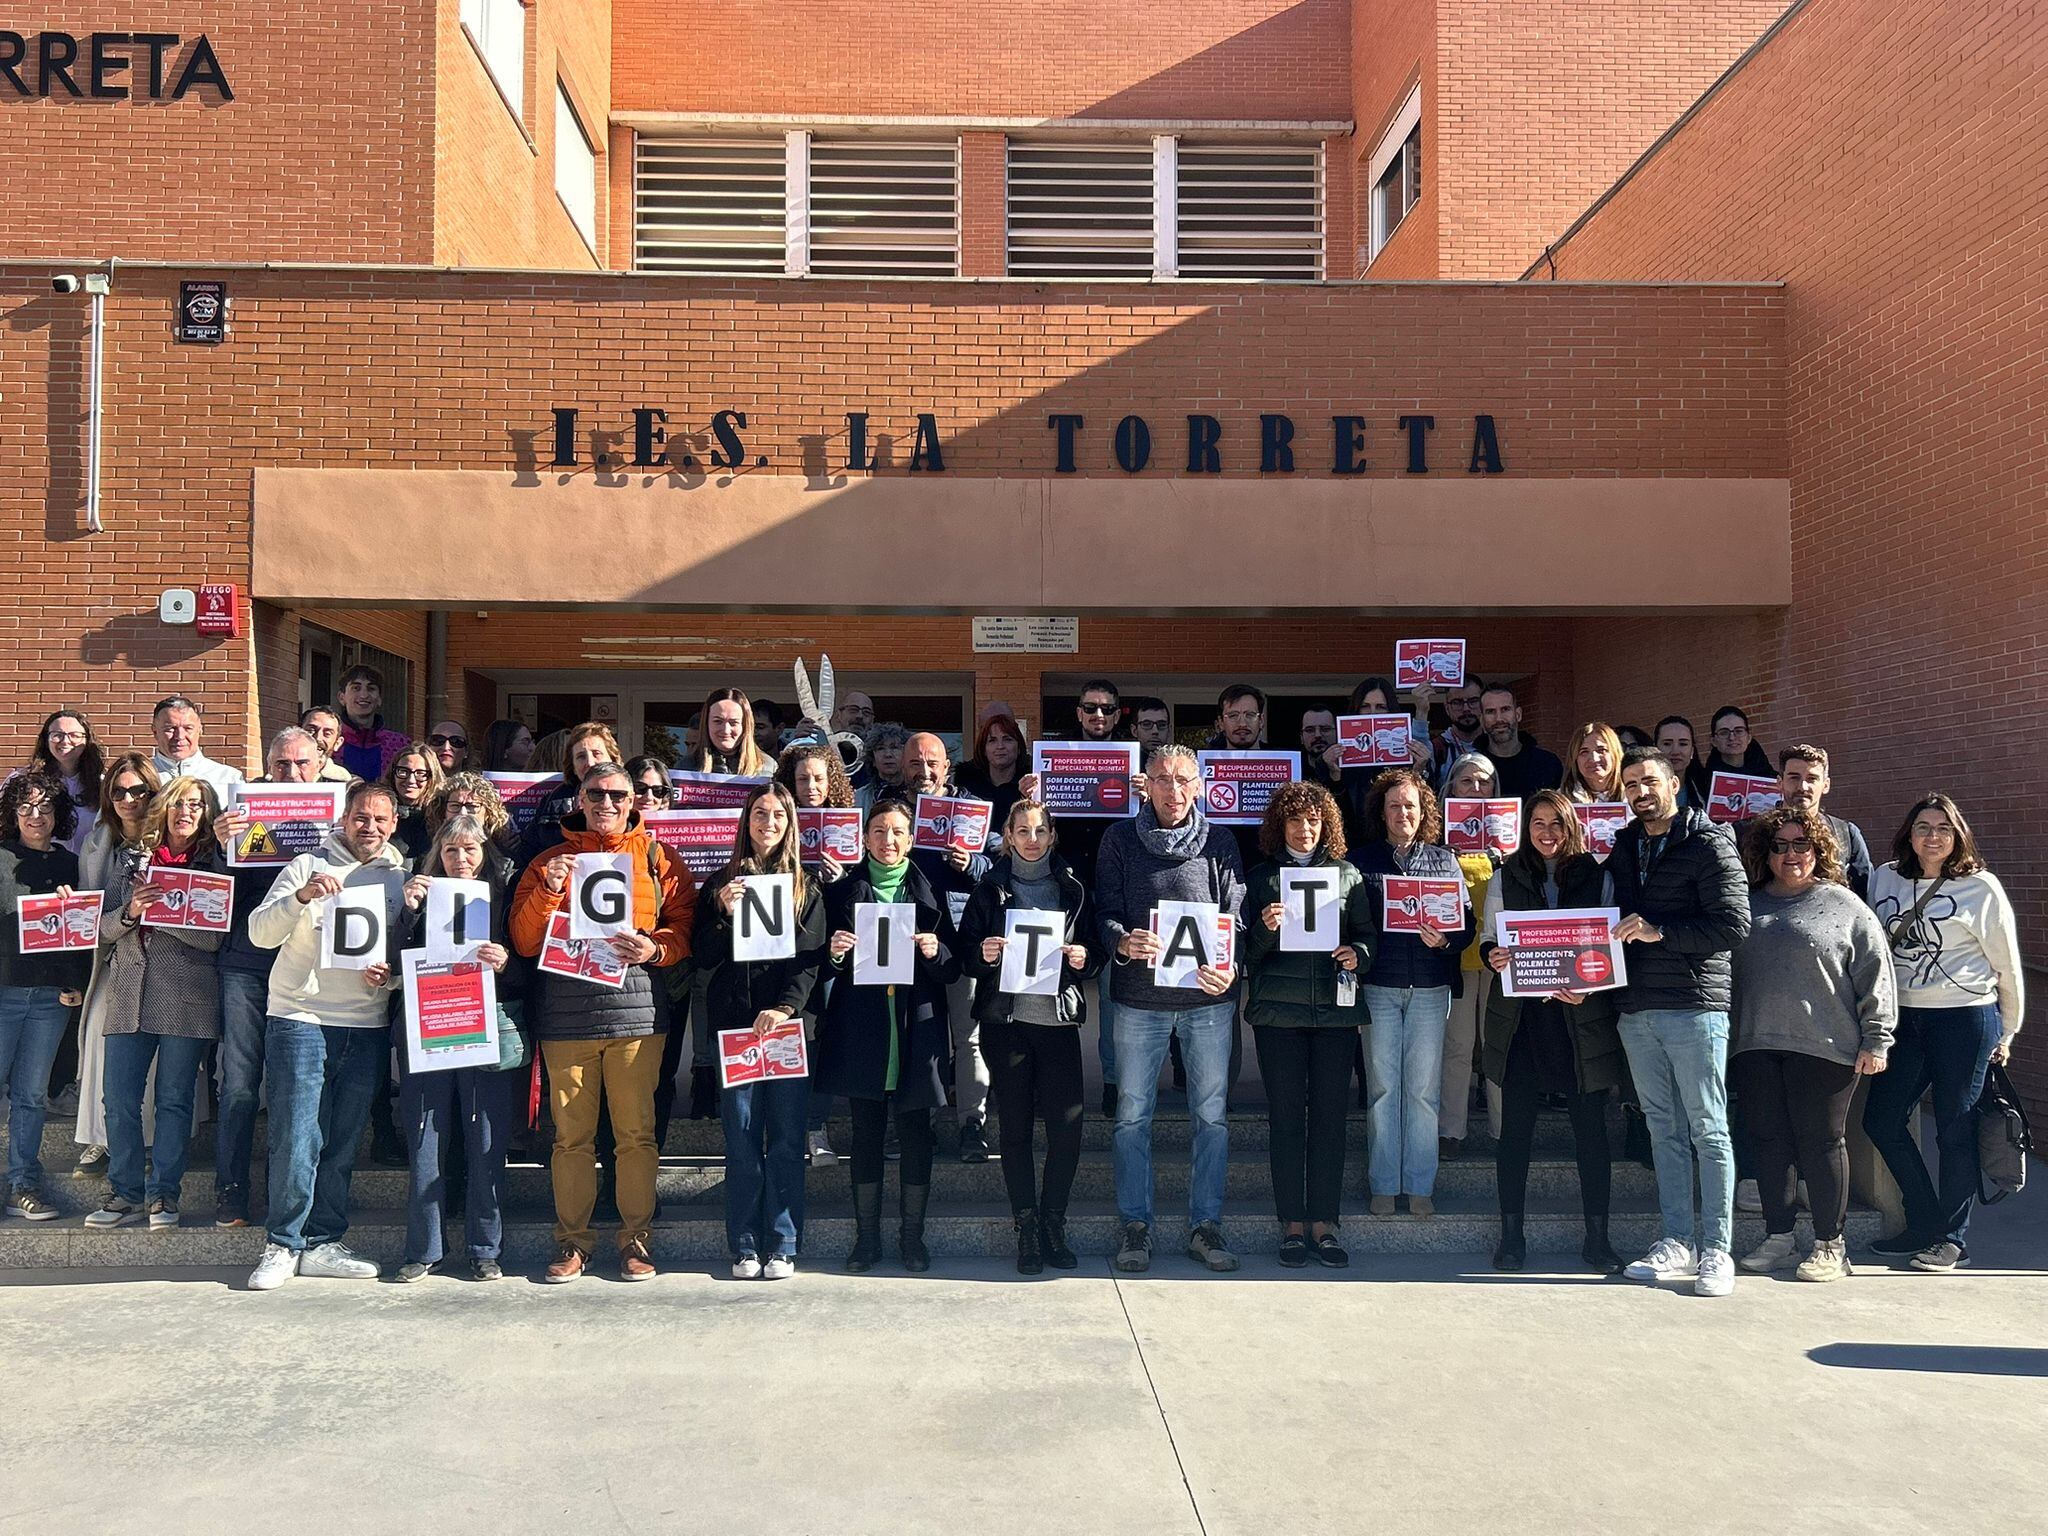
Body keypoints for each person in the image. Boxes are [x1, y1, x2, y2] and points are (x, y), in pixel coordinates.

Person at [510, 762, 695, 1285]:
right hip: (566, 1019)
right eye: (596, 793)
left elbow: (684, 926)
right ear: (581, 797)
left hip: (636, 1017)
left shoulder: (659, 858)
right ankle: (572, 1243)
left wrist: (655, 948)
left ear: (635, 798)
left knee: (635, 1136)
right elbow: (524, 941)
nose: (606, 803)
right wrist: (548, 889)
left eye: (617, 794)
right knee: (570, 1140)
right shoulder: (549, 859)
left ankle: (636, 1240)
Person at [242, 780, 410, 1290]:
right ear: (344, 818)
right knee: (297, 1135)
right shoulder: (305, 865)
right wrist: (301, 896)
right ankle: (282, 1243)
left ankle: (322, 1241)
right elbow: (259, 933)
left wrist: (394, 978)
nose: (371, 828)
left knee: (341, 1140)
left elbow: (405, 954)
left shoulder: (400, 876)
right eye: (362, 817)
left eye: (381, 820)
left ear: (394, 824)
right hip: (301, 1017)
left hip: (366, 1021)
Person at [1606, 746, 1752, 1297]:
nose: (1639, 792)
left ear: (1674, 782)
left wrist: (1661, 931)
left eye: (1648, 781)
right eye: (1630, 785)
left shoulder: (1710, 842)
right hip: (1635, 1007)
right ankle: (1677, 1241)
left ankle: (1717, 1250)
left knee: (1708, 1129)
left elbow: (1735, 926)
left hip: (1694, 1006)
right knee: (1662, 1129)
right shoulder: (1623, 846)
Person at [1095, 744, 1246, 1274]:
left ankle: (1206, 1225)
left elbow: (1236, 915)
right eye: (1162, 779)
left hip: (1207, 1002)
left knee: (1212, 1116)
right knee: (1131, 1117)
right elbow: (1103, 911)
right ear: (1146, 784)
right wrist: (1120, 941)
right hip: (1138, 1002)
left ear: (1199, 786)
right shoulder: (1119, 839)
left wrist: (1230, 966)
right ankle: (1135, 1226)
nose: (1173, 789)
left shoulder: (1221, 841)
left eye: (1184, 780)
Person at [1730, 807, 1895, 1283]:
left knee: (1821, 1142)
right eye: (1778, 846)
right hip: (1755, 1043)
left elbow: (1876, 974)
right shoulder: (1748, 903)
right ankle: (1779, 1236)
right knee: (1767, 1142)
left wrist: (1877, 1038)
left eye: (1801, 845)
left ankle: (1830, 1245)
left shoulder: (1845, 905)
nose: (1790, 855)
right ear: (1765, 854)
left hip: (1827, 1045)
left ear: (1819, 850)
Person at [1862, 793, 2024, 1272]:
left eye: (1943, 828)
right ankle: (1924, 1221)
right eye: (1923, 827)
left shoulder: (1981, 887)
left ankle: (1952, 1238)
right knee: (1882, 1120)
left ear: (1958, 836)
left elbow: (2008, 966)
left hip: (1965, 1019)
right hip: (1904, 1020)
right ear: (1908, 835)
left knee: (1955, 1128)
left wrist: (2008, 1032)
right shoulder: (1885, 876)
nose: (1933, 837)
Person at [1480, 790, 1625, 1273]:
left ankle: (1598, 1239)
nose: (1546, 833)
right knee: (1515, 1135)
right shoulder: (1505, 874)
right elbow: (1488, 939)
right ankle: (1511, 1237)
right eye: (1537, 823)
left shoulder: (1598, 876)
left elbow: (1607, 946)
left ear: (1571, 827)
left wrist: (1593, 984)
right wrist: (1492, 957)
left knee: (1592, 1134)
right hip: (1522, 1023)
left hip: (1580, 1023)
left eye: (1556, 824)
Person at [813, 798, 960, 1272]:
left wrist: (937, 950)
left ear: (911, 840)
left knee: (917, 1132)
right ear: (864, 837)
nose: (888, 840)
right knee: (866, 1132)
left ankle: (911, 1238)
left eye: (898, 832)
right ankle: (867, 1238)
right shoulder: (841, 893)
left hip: (916, 1026)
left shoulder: (931, 890)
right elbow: (817, 962)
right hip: (863, 1026)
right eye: (879, 831)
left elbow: (955, 966)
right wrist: (834, 953)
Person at [959, 798, 1103, 1273]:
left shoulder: (1073, 885)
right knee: (1016, 1131)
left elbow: (1097, 948)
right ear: (1008, 836)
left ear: (1052, 835)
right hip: (1008, 1023)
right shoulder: (990, 887)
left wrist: (1085, 957)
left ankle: (1053, 1221)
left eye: (1040, 831)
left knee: (1067, 1130)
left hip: (1058, 1021)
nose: (1032, 839)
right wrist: (984, 953)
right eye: (1022, 831)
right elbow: (966, 954)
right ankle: (1026, 1225)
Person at [693, 782, 826, 1280]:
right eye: (759, 814)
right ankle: (745, 1244)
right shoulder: (718, 883)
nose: (768, 823)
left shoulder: (806, 886)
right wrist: (724, 914)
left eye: (777, 815)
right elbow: (702, 956)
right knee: (743, 1139)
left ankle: (784, 1241)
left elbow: (811, 961)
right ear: (745, 821)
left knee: (788, 1139)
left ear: (790, 824)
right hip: (736, 1030)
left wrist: (787, 1008)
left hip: (787, 1030)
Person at [84, 776, 227, 1231]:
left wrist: (164, 915)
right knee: (119, 1100)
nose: (186, 812)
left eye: (196, 805)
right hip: (129, 991)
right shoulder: (131, 858)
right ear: (163, 807)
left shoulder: (214, 863)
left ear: (206, 814)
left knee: (173, 1101)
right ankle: (124, 1192)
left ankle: (164, 1195)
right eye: (178, 803)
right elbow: (100, 928)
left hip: (187, 995)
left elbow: (214, 938)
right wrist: (131, 913)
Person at [1239, 781, 1371, 1268]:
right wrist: (1263, 930)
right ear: (1281, 826)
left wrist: (1357, 954)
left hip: (1336, 1016)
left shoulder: (1348, 875)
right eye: (1295, 820)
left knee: (1331, 1120)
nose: (1305, 828)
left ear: (1327, 825)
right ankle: (1292, 1223)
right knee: (1288, 1118)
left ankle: (1325, 1223)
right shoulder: (1259, 879)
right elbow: (1241, 954)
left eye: (1314, 820)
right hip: (1278, 1014)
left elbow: (1367, 936)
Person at [389, 813, 526, 1282]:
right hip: (428, 1029)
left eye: (470, 849)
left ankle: (485, 1248)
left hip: (484, 1026)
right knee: (426, 1137)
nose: (461, 858)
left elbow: (530, 968)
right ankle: (423, 1250)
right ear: (437, 856)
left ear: (484, 853)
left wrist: (506, 961)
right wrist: (406, 912)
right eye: (451, 850)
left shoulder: (503, 898)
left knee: (485, 1141)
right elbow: (388, 961)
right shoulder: (420, 896)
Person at [207, 728, 334, 1226]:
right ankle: (232, 1193)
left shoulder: (336, 815)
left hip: (307, 972)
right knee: (239, 1083)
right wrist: (221, 848)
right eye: (281, 764)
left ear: (320, 765)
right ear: (267, 765)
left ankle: (294, 1200)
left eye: (302, 764)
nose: (292, 773)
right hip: (247, 965)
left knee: (296, 1088)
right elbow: (216, 889)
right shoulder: (243, 812)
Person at [1352, 768, 1474, 1217]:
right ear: (1380, 812)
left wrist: (1443, 940)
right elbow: (1352, 923)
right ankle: (1384, 1182)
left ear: (1424, 811)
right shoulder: (1361, 861)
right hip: (1380, 986)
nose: (1402, 812)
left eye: (1410, 805)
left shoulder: (1444, 861)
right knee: (1383, 1088)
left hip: (1429, 987)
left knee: (1423, 1090)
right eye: (1393, 805)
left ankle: (1420, 1183)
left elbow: (1466, 928)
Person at [893, 731, 996, 1161]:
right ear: (903, 767)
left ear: (946, 766)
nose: (924, 770)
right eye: (916, 763)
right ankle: (920, 1126)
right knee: (914, 1037)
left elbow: (998, 864)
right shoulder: (890, 808)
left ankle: (973, 1124)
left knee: (968, 1039)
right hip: (904, 940)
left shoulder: (969, 810)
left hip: (959, 939)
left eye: (932, 762)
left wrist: (970, 863)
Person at [0, 772, 89, 1222]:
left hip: (50, 999)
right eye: (26, 807)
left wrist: (74, 982)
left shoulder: (69, 864)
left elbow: (79, 934)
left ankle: (23, 1185)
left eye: (46, 807)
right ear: (13, 813)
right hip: (4, 994)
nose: (36, 816)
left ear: (60, 814)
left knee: (32, 1096)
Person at [71, 752, 161, 1177]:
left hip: (161, 960)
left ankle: (144, 1139)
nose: (128, 799)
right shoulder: (98, 839)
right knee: (98, 1044)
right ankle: (100, 1137)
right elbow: (87, 907)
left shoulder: (167, 836)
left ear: (152, 791)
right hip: (110, 957)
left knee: (153, 1060)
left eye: (138, 790)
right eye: (119, 791)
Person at [775, 741, 856, 1166]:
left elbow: (859, 898)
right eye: (802, 778)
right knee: (792, 1035)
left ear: (833, 783)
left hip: (830, 950)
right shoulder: (776, 822)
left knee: (820, 1037)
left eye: (819, 779)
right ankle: (787, 1127)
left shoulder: (847, 828)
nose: (810, 786)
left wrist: (840, 879)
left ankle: (815, 1127)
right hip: (784, 948)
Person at [1438, 753, 1501, 1157]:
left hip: (1501, 957)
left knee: (1495, 1044)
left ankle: (1503, 1131)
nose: (1476, 789)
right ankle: (1451, 1132)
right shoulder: (1438, 837)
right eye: (1467, 782)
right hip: (1458, 958)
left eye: (1485, 782)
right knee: (1458, 1047)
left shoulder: (1512, 835)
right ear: (1452, 787)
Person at [1772, 744, 1873, 900]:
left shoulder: (1845, 834)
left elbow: (1865, 896)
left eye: (1812, 779)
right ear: (1780, 782)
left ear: (1826, 785)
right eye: (1794, 777)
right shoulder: (1752, 833)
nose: (1802, 787)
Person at [513, 722, 619, 868]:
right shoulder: (552, 803)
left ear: (613, 759)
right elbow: (527, 859)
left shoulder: (632, 798)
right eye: (581, 756)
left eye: (597, 754)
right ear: (573, 768)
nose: (590, 762)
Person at [23, 709, 103, 855]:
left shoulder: (102, 785)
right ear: (46, 740)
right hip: (34, 869)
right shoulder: (25, 779)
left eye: (74, 735)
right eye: (57, 735)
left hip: (88, 872)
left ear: (86, 740)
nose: (65, 741)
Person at [1476, 683, 1564, 803]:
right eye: (1490, 712)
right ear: (1481, 720)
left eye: (1505, 709)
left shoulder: (1547, 763)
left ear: (1518, 714)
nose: (1499, 719)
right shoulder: (1470, 767)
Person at [150, 694, 243, 800]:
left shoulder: (229, 778)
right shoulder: (139, 777)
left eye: (188, 728)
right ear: (155, 731)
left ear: (200, 730)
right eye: (170, 728)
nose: (180, 736)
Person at [334, 665, 411, 782]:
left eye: (371, 689)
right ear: (341, 697)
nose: (364, 695)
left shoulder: (400, 745)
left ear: (380, 698)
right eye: (356, 688)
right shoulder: (331, 742)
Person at [955, 709, 1027, 827]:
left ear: (1019, 747)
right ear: (984, 749)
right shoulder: (963, 787)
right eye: (992, 740)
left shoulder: (1032, 787)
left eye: (1007, 739)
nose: (1000, 746)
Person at [692, 687, 773, 778]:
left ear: (746, 725)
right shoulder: (687, 766)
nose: (726, 730)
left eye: (733, 722)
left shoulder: (768, 768)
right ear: (706, 723)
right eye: (718, 721)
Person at [384, 742, 443, 861]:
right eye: (403, 771)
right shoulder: (380, 815)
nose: (411, 780)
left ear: (432, 778)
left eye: (420, 774)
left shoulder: (441, 816)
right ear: (393, 774)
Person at [1559, 723, 1625, 804]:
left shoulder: (1635, 794)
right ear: (1575, 759)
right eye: (1584, 752)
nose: (1594, 759)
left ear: (1615, 754)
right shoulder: (1561, 801)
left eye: (1601, 750)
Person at [1436, 677, 1487, 772]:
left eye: (1473, 701)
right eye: (1457, 702)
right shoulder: (1436, 748)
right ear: (1447, 708)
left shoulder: (1497, 743)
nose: (1466, 708)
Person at [858, 723, 909, 811]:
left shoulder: (916, 795)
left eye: (894, 748)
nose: (888, 754)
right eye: (880, 748)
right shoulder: (858, 797)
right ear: (872, 759)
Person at [1655, 715, 1701, 812]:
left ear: (1692, 751)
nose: (1675, 751)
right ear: (1655, 750)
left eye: (1683, 744)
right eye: (1667, 744)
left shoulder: (1705, 790)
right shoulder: (1643, 790)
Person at [301, 707, 353, 783]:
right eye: (311, 730)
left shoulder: (345, 781)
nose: (318, 738)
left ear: (337, 743)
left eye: (327, 734)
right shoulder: (280, 772)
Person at [1298, 705, 1341, 790]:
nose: (1318, 735)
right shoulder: (1294, 771)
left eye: (1325, 729)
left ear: (1338, 733)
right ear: (1301, 737)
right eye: (1310, 730)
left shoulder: (1353, 770)